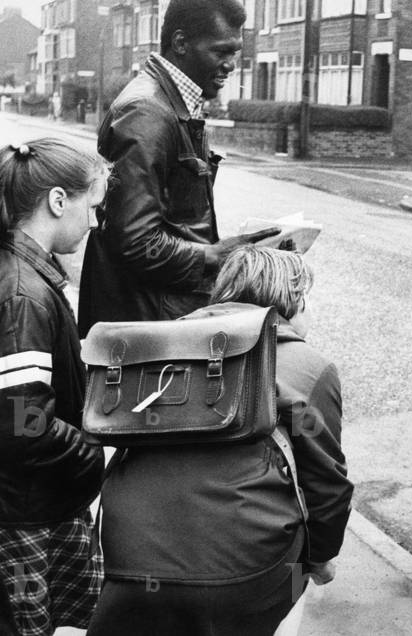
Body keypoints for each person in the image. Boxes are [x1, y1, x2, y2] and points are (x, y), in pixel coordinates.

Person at [88, 246, 353, 636]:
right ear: (293, 301)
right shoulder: (309, 367)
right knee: (304, 576)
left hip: (128, 561)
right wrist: (322, 559)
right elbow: (327, 486)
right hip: (245, 578)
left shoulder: (165, 344)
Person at [77, 0, 277, 337]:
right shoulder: (147, 113)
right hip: (146, 330)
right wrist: (212, 256)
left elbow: (173, 223)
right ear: (181, 43)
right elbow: (134, 241)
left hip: (158, 318)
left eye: (236, 52)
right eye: (221, 52)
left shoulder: (173, 104)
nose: (231, 65)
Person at [0, 138, 109, 635]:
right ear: (59, 200)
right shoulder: (25, 296)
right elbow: (25, 422)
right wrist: (94, 452)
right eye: (93, 206)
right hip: (26, 514)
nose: (94, 222)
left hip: (28, 503)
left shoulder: (23, 275)